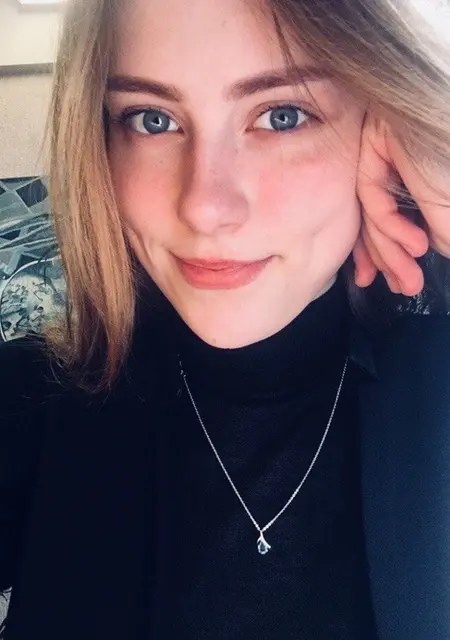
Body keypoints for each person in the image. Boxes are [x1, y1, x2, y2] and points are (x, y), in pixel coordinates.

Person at [1, 0, 450, 638]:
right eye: (152, 120)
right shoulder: (33, 406)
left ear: (384, 122)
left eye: (282, 115)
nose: (205, 207)